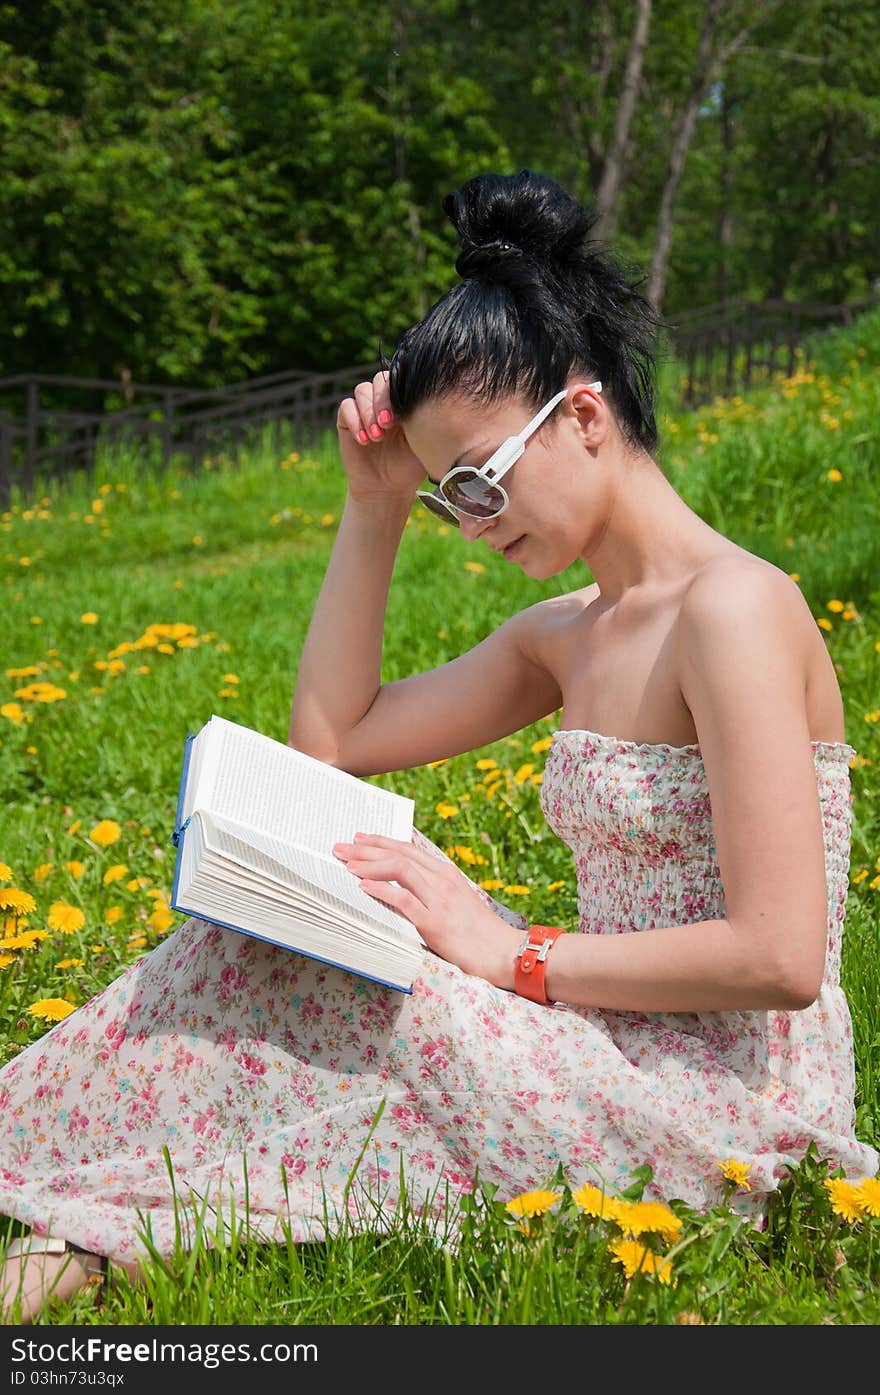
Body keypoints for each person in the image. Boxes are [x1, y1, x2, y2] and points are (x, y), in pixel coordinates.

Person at [1, 168, 877, 1323]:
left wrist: (510, 955)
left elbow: (779, 957)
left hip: (717, 1099)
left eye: (476, 482)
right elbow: (337, 740)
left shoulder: (735, 609)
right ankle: (56, 1173)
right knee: (272, 941)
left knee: (391, 993)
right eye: (444, 497)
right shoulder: (567, 635)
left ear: (581, 415)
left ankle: (93, 1217)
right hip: (599, 1036)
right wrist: (370, 508)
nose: (470, 523)